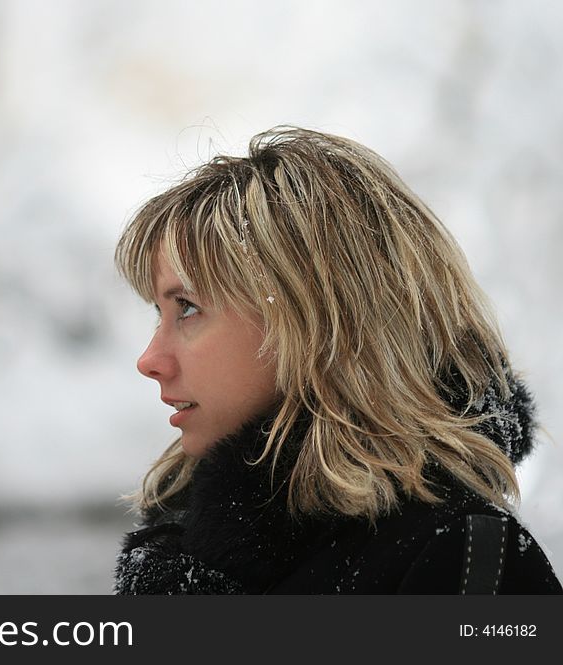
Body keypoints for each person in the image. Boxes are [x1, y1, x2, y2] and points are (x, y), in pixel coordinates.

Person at [112, 127, 562, 594]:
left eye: (187, 307)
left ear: (316, 323)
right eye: (158, 313)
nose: (150, 359)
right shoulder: (188, 546)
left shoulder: (467, 562)